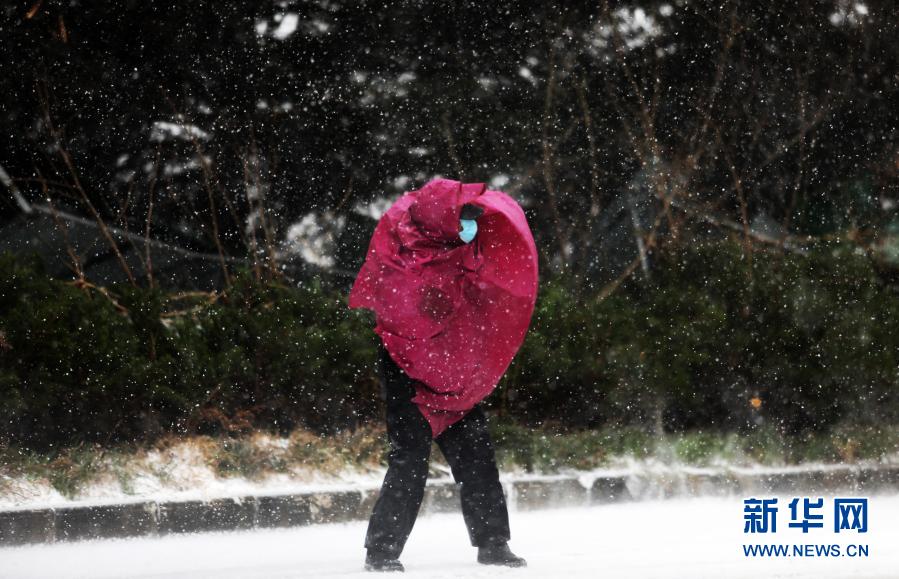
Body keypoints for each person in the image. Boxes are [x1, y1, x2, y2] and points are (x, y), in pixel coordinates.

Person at [348, 179, 538, 572]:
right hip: (410, 375)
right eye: (465, 220)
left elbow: (479, 304)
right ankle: (382, 552)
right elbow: (405, 319)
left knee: (478, 461)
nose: (471, 229)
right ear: (444, 222)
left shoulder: (462, 252)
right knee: (409, 462)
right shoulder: (404, 255)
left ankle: (494, 544)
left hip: (457, 374)